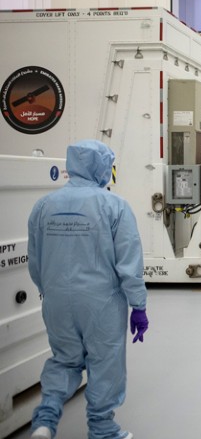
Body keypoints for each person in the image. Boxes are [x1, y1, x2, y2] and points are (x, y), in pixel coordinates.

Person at [27, 140, 148, 439]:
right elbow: (129, 262)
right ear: (101, 166)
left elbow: (35, 259)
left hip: (55, 299)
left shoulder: (44, 205)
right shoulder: (114, 205)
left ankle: (45, 421)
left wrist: (49, 290)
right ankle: (103, 429)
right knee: (105, 362)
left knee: (65, 359)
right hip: (101, 301)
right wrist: (139, 306)